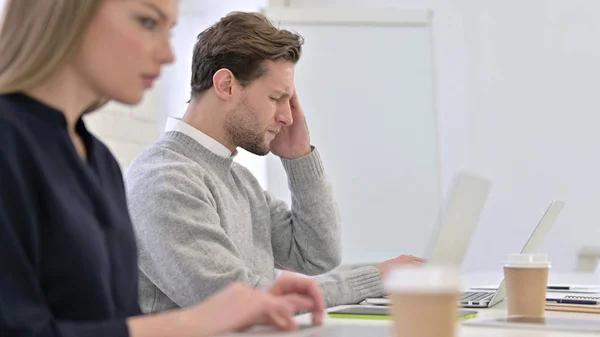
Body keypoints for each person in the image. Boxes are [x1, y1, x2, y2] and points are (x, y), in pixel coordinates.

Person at [0, 1, 325, 337]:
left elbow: (112, 320)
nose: (169, 55)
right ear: (67, 12)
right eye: (147, 22)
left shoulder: (98, 161)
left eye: (169, 31)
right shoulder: (9, 145)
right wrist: (195, 321)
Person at [124, 11, 425, 314]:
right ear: (226, 85)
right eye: (275, 98)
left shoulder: (239, 180)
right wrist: (372, 281)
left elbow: (318, 254)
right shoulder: (164, 180)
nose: (288, 116)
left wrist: (300, 158)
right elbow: (237, 300)